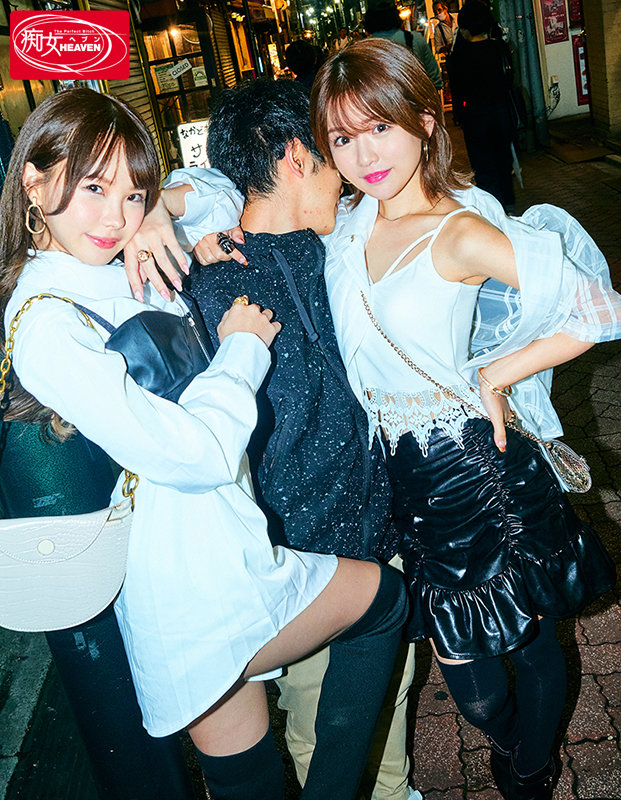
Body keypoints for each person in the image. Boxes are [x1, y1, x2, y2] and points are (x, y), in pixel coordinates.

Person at [0, 87, 410, 800]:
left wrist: (159, 212)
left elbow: (226, 189)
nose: (113, 216)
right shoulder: (45, 324)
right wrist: (242, 349)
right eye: (93, 189)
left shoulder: (104, 266)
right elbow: (199, 455)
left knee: (247, 782)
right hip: (189, 579)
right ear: (33, 182)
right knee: (384, 601)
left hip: (219, 544)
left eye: (129, 193)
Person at [308, 38, 618, 799]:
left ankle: (530, 768)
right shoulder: (345, 224)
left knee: (526, 637)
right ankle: (523, 751)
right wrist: (160, 216)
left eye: (380, 127)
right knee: (474, 691)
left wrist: (497, 374)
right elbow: (223, 189)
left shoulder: (459, 230)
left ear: (423, 120)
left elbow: (597, 307)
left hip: (476, 472)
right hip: (402, 480)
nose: (363, 154)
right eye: (342, 138)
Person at [129, 78, 421, 800]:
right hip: (300, 574)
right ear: (295, 157)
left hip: (359, 543)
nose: (347, 176)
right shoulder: (206, 283)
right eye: (333, 153)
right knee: (333, 742)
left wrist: (170, 208)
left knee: (370, 734)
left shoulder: (329, 250)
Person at [447, 0, 517, 212]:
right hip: (501, 112)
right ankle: (509, 205)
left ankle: (493, 210)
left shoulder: (458, 56)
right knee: (504, 162)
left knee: (483, 166)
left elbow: (457, 90)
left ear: (465, 28)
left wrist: (459, 115)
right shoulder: (499, 48)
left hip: (475, 116)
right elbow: (509, 80)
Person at [364, 1, 442, 91]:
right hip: (416, 96)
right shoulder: (416, 40)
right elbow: (435, 80)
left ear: (369, 19)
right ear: (395, 15)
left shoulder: (365, 49)